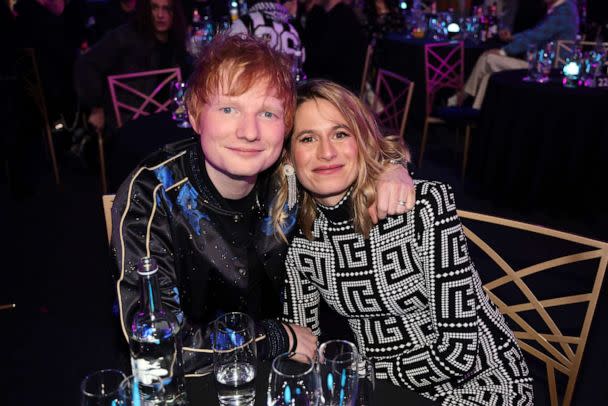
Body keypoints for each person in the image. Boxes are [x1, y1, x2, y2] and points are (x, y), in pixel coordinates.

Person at [111, 34, 416, 375]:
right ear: (195, 114)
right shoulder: (155, 192)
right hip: (186, 383)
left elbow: (351, 148)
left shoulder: (287, 174)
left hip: (279, 374)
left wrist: (392, 166)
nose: (250, 132)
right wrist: (273, 337)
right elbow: (155, 345)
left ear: (285, 125)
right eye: (229, 109)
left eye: (268, 113)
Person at [273, 79, 534, 405]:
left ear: (362, 140)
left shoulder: (421, 206)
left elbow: (459, 350)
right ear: (288, 157)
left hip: (481, 383)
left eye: (340, 134)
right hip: (384, 391)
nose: (327, 152)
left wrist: (356, 375)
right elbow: (304, 346)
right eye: (308, 138)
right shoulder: (298, 240)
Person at [74, 0, 189, 132]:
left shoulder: (176, 41)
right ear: (146, 10)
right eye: (154, 8)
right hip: (130, 124)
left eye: (167, 9)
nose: (160, 15)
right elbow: (86, 64)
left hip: (168, 120)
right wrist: (96, 107)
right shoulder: (124, 36)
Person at [455, 0, 578, 109]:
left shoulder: (565, 10)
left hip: (548, 71)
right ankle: (478, 111)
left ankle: (461, 98)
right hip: (540, 67)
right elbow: (535, 33)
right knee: (489, 75)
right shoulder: (561, 8)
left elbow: (536, 36)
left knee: (488, 58)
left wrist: (504, 51)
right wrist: (513, 38)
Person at [228, 0, 304, 62]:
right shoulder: (294, 26)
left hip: (255, 79)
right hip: (289, 80)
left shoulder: (245, 22)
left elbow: (229, 58)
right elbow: (302, 59)